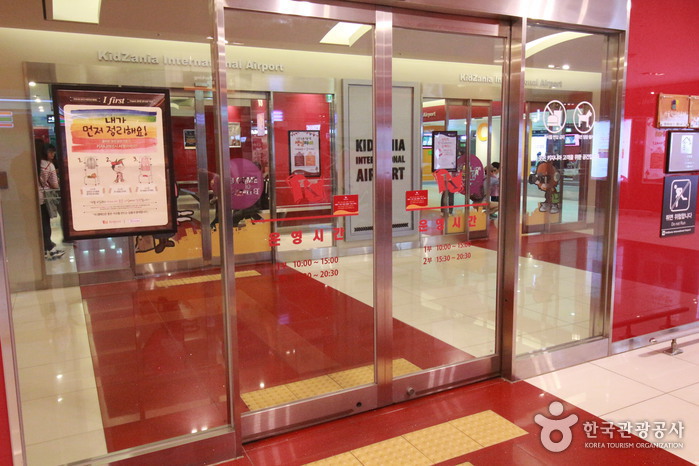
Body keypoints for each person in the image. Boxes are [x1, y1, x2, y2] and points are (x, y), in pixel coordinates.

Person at [36, 140, 64, 260]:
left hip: (28, 198)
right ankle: (50, 249)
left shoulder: (30, 163)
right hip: (43, 198)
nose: (53, 154)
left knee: (36, 224)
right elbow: (55, 184)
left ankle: (43, 249)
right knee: (45, 223)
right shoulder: (48, 165)